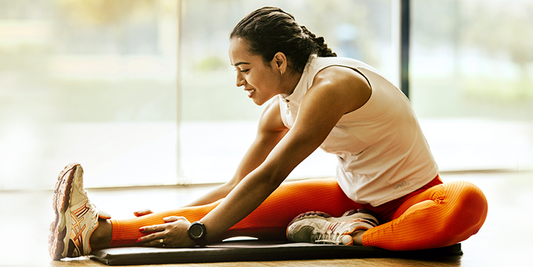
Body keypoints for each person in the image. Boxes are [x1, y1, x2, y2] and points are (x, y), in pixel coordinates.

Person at [49, 6, 488, 260]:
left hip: (415, 198)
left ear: (278, 61)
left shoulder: (331, 87)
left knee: (469, 202)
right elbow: (236, 188)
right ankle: (90, 232)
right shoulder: (279, 109)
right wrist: (172, 218)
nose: (239, 82)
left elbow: (272, 173)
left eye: (245, 69)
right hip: (352, 199)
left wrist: (203, 233)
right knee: (230, 207)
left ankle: (347, 235)